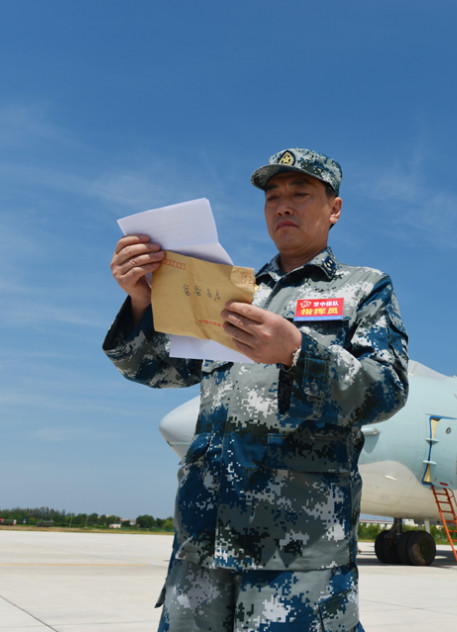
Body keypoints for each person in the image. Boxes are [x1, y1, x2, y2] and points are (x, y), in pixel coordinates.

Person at [102, 147, 410, 632]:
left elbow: (386, 390)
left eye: (300, 193)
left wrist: (297, 351)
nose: (282, 205)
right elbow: (156, 371)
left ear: (334, 209)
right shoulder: (229, 288)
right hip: (201, 545)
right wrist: (141, 301)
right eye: (273, 196)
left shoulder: (362, 289)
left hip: (297, 555)